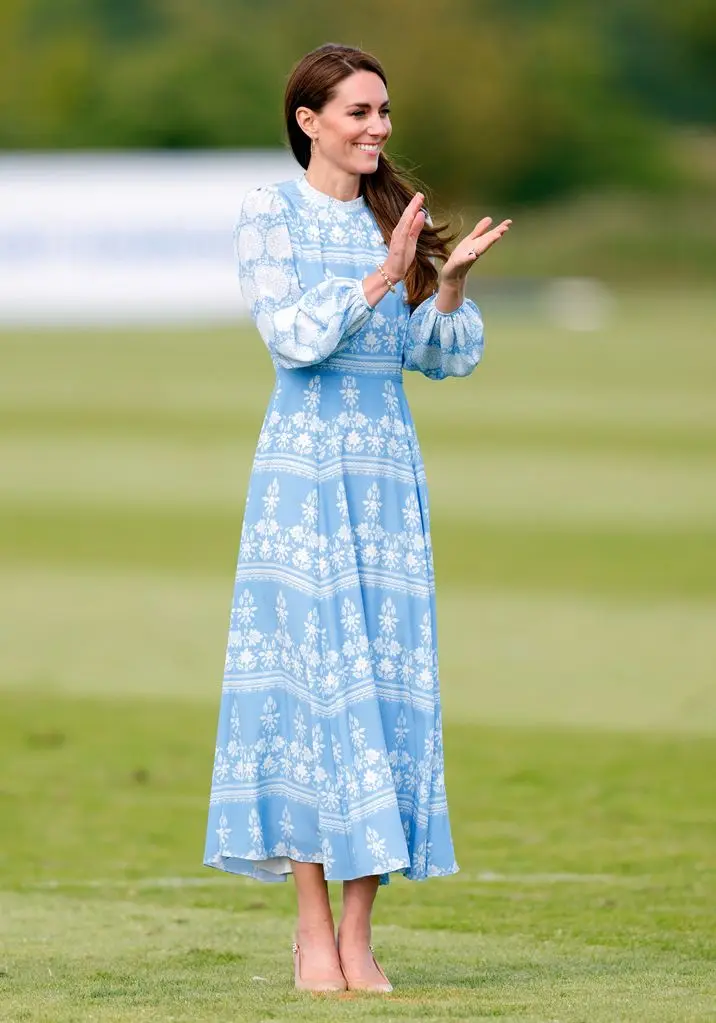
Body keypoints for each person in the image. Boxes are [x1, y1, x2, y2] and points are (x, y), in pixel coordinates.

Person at [204, 42, 511, 993]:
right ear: (310, 121)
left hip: (385, 474)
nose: (379, 128)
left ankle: (360, 935)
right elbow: (293, 337)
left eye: (384, 113)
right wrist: (380, 275)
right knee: (308, 687)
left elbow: (439, 356)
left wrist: (444, 277)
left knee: (383, 688)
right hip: (303, 472)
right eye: (359, 112)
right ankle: (309, 931)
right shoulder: (271, 213)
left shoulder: (394, 216)